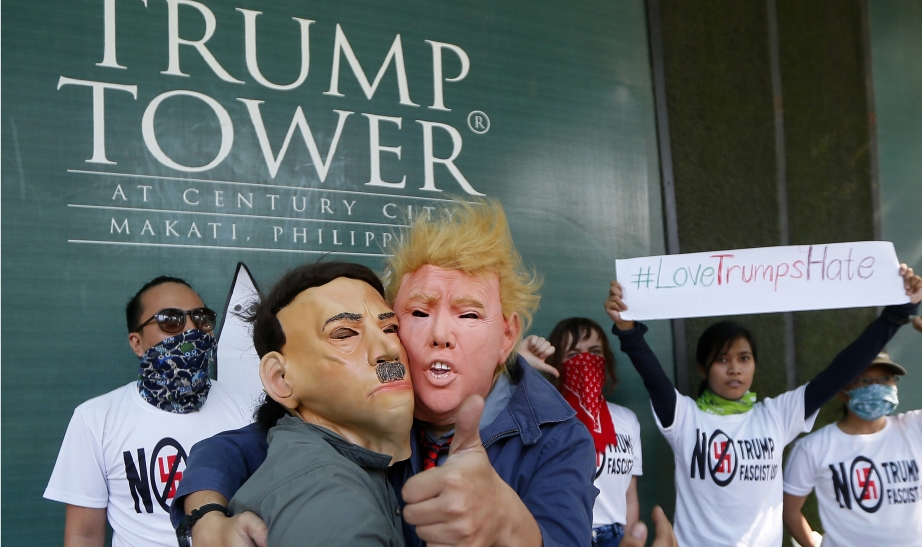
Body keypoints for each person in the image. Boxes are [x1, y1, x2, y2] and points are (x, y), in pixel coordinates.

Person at [170, 199, 598, 547]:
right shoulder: (372, 399)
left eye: (468, 313)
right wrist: (206, 519)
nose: (441, 334)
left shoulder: (558, 438)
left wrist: (511, 529)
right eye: (416, 313)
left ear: (507, 335)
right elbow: (229, 450)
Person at [604, 265, 922, 547]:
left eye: (744, 358)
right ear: (703, 369)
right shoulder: (684, 417)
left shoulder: (777, 416)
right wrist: (627, 331)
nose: (735, 369)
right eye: (722, 359)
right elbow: (652, 375)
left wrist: (897, 315)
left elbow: (840, 371)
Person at [43, 276, 251, 547]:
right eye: (170, 320)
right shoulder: (95, 418)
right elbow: (83, 535)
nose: (191, 330)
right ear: (136, 343)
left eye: (201, 318)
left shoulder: (248, 409)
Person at [224, 262, 413, 547]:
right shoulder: (329, 499)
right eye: (344, 334)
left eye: (390, 328)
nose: (389, 349)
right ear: (281, 379)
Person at [782, 308, 922, 547]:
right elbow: (789, 511)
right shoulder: (813, 448)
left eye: (886, 379)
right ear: (842, 393)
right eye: (864, 380)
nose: (876, 387)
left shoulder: (918, 429)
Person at [521, 318, 643, 547]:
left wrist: (628, 537)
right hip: (563, 534)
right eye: (573, 354)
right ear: (556, 363)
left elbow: (630, 495)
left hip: (614, 537)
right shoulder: (542, 417)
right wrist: (522, 365)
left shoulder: (627, 420)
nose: (585, 361)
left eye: (595, 351)